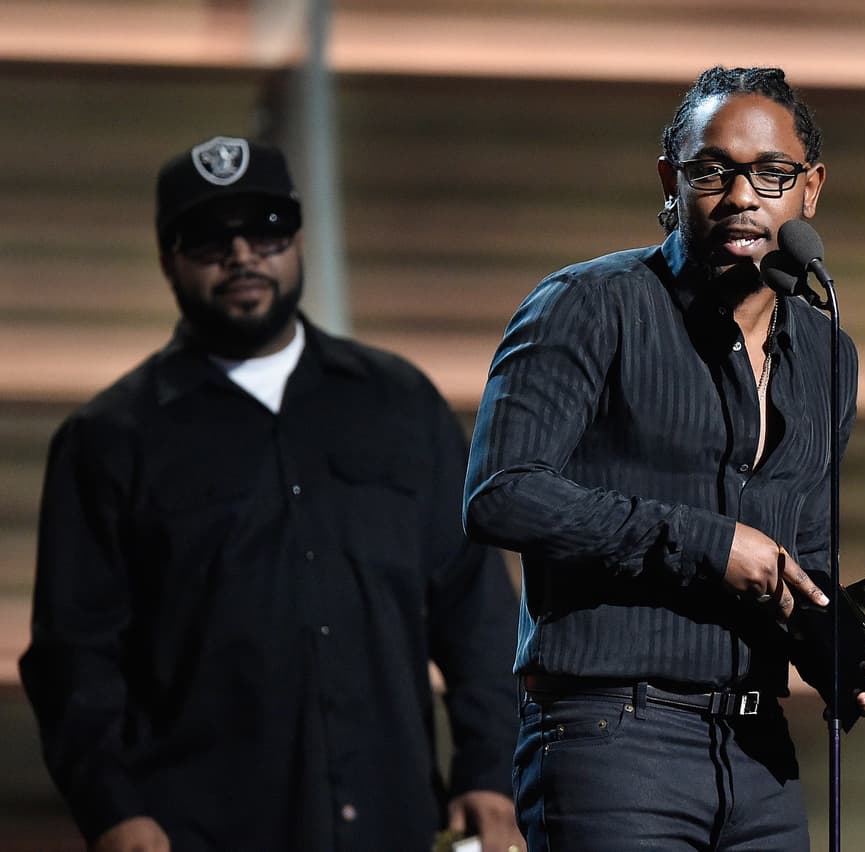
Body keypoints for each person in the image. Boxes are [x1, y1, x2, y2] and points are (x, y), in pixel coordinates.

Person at [20, 136, 524, 852]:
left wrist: (489, 768)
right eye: (208, 237)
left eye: (265, 228)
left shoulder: (398, 402)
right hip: (200, 833)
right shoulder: (107, 439)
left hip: (397, 820)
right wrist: (113, 811)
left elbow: (475, 608)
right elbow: (74, 658)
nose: (242, 254)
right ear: (167, 259)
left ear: (295, 240)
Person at [463, 66, 865, 851]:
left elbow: (797, 556)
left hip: (759, 752)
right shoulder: (588, 304)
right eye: (714, 171)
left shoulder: (828, 351)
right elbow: (502, 494)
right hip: (610, 734)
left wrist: (834, 645)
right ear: (672, 181)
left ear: (811, 190)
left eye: (772, 175)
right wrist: (705, 543)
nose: (743, 198)